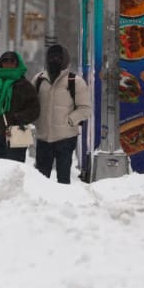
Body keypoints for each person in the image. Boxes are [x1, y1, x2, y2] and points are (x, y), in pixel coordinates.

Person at [33, 44, 91, 184]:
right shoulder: (39, 80)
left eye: (58, 57)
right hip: (43, 138)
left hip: (65, 139)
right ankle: (41, 204)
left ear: (65, 59)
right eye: (51, 57)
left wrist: (69, 121)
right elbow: (30, 103)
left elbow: (85, 109)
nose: (54, 60)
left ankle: (63, 204)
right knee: (40, 179)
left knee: (63, 178)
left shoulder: (75, 82)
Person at [0, 51, 40, 162]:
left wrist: (18, 117)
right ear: (1, 63)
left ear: (17, 64)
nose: (8, 64)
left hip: (17, 133)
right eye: (5, 61)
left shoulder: (24, 85)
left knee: (13, 171)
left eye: (12, 61)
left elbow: (34, 109)